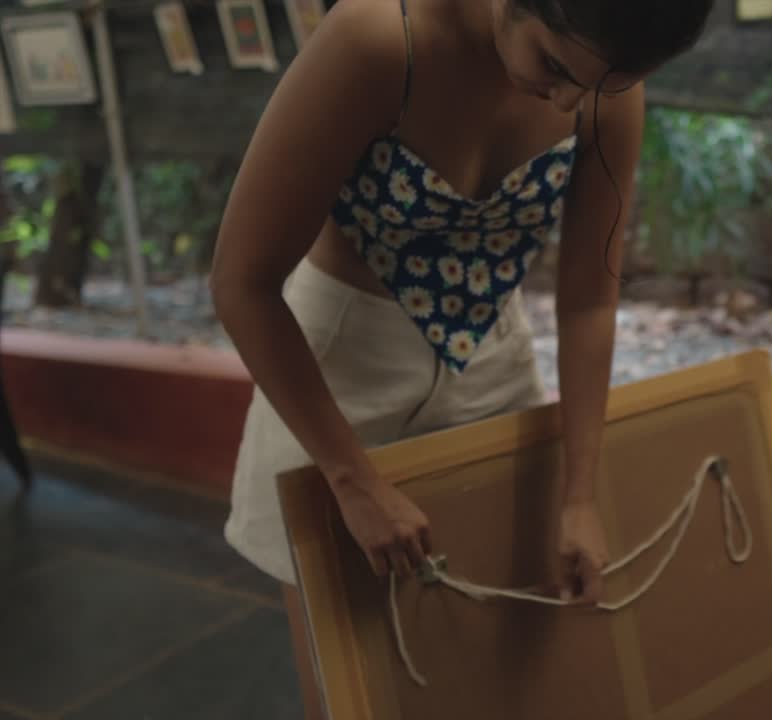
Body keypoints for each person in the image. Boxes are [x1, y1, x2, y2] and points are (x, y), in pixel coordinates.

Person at [210, 0, 714, 714]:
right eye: (555, 66)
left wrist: (579, 495)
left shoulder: (603, 84)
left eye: (606, 87)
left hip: (495, 367)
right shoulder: (380, 39)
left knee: (492, 677)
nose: (573, 101)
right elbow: (241, 283)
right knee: (351, 694)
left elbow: (588, 303)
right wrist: (352, 482)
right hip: (336, 378)